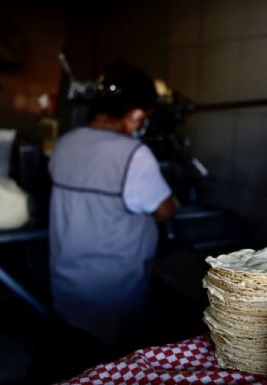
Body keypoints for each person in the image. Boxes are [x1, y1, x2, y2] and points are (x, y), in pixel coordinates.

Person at [48, 60, 177, 348]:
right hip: (113, 298)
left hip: (66, 288)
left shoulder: (65, 144)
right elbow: (165, 209)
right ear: (135, 114)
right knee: (113, 367)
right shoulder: (133, 154)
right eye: (146, 117)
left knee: (75, 363)